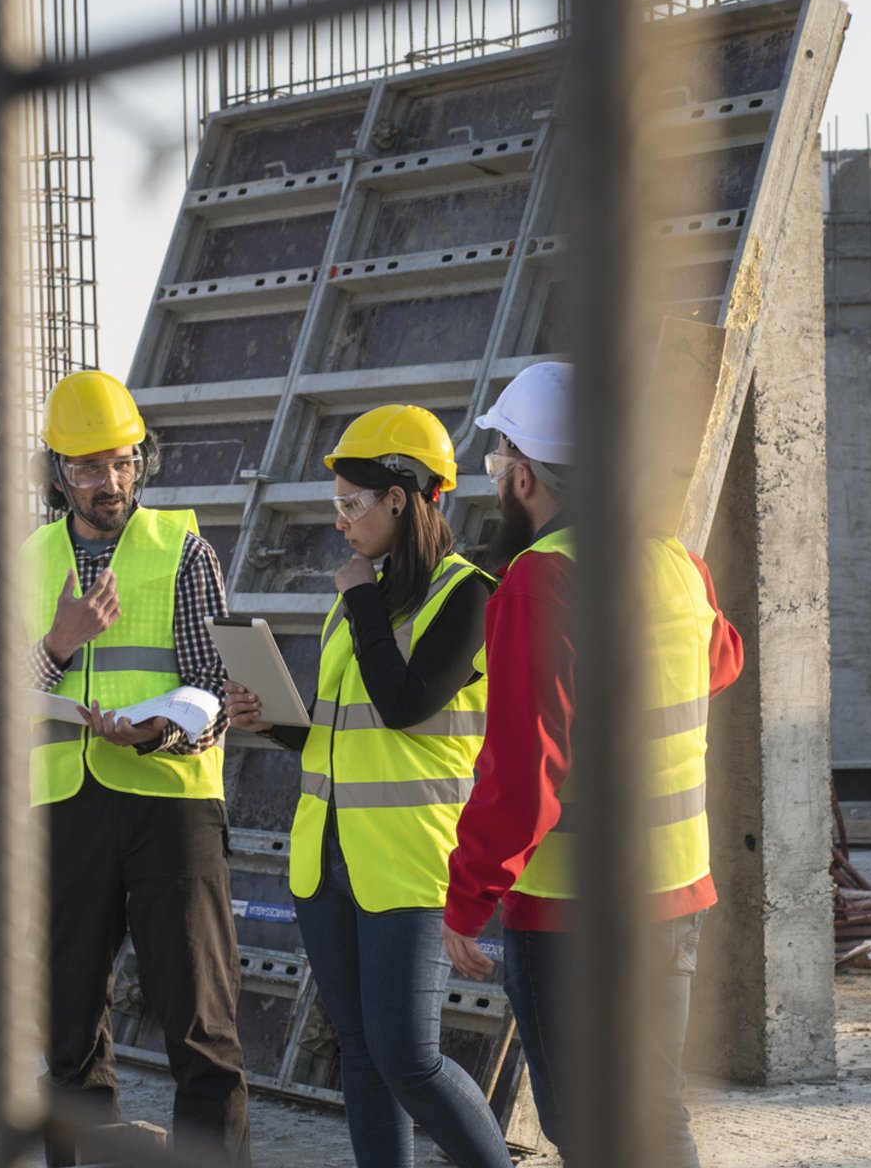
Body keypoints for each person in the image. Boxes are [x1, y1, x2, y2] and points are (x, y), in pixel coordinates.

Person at [438, 361, 744, 1168]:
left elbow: (520, 774)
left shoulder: (542, 579)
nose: (496, 482)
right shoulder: (675, 561)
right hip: (675, 890)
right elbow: (721, 662)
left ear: (526, 475)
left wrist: (469, 898)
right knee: (656, 1113)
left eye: (497, 466)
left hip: (572, 912)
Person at [0, 369, 249, 1166]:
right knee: (67, 1032)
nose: (111, 482)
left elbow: (215, 688)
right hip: (63, 811)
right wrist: (59, 642)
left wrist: (161, 729)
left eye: (123, 462)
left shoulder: (183, 552)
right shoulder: (27, 562)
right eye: (89, 468)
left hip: (171, 808)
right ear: (58, 472)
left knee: (202, 1033)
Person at [223, 406, 513, 1168]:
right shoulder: (362, 598)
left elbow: (407, 704)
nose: (342, 523)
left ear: (405, 498)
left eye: (354, 505)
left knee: (409, 1060)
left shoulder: (468, 596)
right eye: (336, 506)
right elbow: (342, 730)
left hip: (412, 866)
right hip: (327, 861)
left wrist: (359, 601)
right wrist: (272, 722)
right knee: (360, 1053)